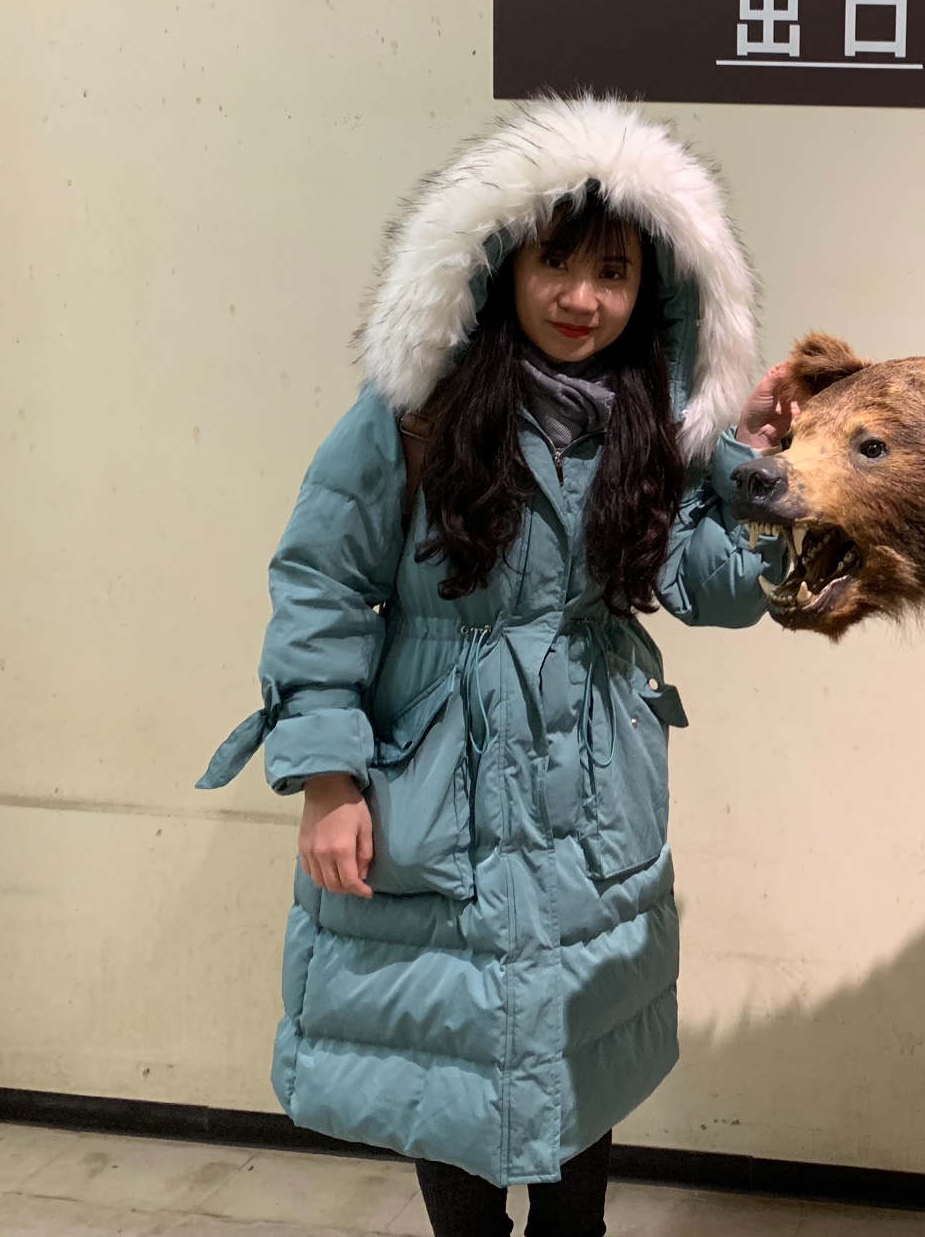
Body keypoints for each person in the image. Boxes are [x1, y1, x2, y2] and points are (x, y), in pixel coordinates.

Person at [198, 97, 791, 1235]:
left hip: (592, 777)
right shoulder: (413, 412)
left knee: (579, 1048)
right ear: (498, 268)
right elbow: (321, 580)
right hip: (430, 773)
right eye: (557, 264)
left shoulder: (651, 422)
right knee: (449, 1061)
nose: (583, 299)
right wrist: (327, 776)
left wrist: (752, 475)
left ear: (651, 292)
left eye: (613, 274)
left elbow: (716, 592)